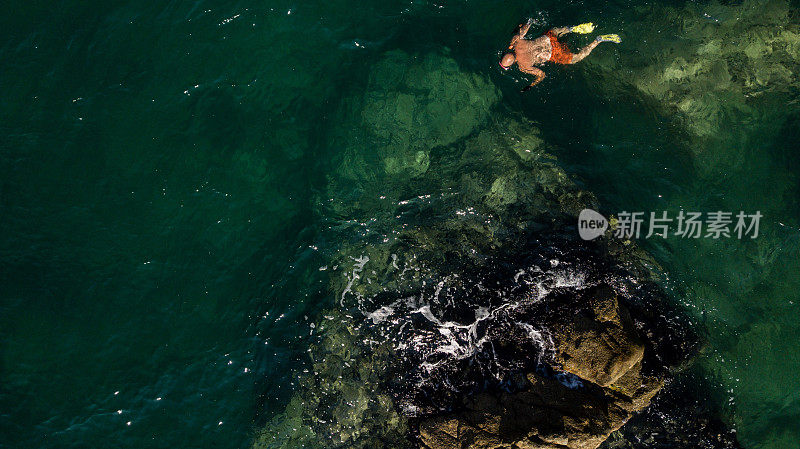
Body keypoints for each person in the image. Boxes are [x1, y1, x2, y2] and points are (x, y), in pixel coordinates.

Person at [499, 20, 620, 91]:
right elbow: (528, 24)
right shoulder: (515, 41)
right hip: (548, 38)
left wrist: (531, 85)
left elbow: (542, 75)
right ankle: (572, 29)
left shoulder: (523, 66)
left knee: (575, 59)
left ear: (511, 64)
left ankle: (598, 40)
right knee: (556, 31)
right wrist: (522, 25)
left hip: (554, 53)